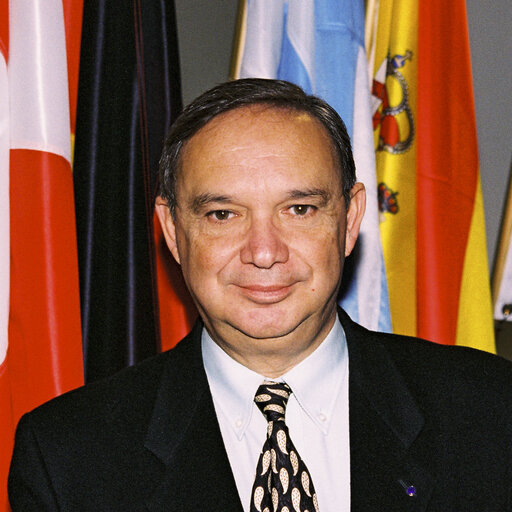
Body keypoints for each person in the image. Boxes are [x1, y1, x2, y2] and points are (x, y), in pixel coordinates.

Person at [8, 78, 512, 511]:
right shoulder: (68, 456)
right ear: (172, 230)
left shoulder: (490, 414)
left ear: (351, 218)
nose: (264, 252)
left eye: (299, 209)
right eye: (222, 214)